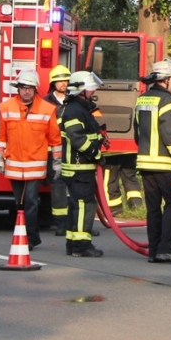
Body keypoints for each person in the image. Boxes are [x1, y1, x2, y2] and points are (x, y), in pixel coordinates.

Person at [0, 69, 62, 249]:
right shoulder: (6, 107)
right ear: (18, 88)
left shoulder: (47, 109)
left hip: (35, 165)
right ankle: (26, 235)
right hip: (14, 164)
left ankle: (30, 238)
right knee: (20, 203)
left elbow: (55, 139)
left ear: (35, 90)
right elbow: (1, 137)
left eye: (30, 88)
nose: (26, 91)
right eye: (23, 87)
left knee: (31, 201)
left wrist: (57, 163)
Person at [134, 59, 171, 264]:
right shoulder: (167, 101)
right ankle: (166, 249)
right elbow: (168, 133)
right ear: (167, 80)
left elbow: (137, 133)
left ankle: (154, 251)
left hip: (145, 163)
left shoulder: (142, 99)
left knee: (153, 208)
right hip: (164, 164)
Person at [59, 71, 107, 257]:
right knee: (84, 206)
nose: (93, 91)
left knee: (77, 206)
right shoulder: (74, 110)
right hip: (79, 168)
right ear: (81, 90)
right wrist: (95, 154)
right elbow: (77, 138)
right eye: (90, 87)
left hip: (79, 167)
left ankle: (72, 244)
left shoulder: (79, 108)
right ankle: (81, 246)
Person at [44, 64, 74, 238]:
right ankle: (61, 224)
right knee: (58, 186)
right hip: (53, 152)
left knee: (77, 186)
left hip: (73, 150)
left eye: (66, 80)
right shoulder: (45, 103)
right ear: (53, 83)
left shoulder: (75, 100)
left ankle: (78, 223)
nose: (64, 83)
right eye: (60, 80)